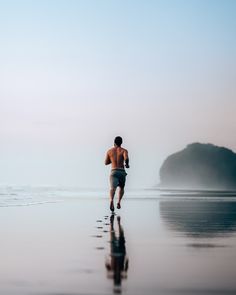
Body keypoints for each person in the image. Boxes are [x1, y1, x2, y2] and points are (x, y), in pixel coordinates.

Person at [105, 136, 129, 211]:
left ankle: (111, 200)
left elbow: (106, 162)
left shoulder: (109, 151)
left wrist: (112, 159)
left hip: (114, 171)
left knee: (112, 188)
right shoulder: (124, 150)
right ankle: (118, 202)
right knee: (121, 187)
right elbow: (126, 158)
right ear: (121, 143)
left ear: (114, 143)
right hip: (121, 172)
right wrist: (127, 164)